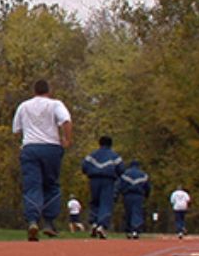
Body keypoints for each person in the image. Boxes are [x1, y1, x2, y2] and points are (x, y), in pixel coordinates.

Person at [11, 79, 73, 241]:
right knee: (51, 185)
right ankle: (49, 222)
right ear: (49, 90)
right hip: (51, 147)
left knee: (32, 185)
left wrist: (23, 143)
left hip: (30, 148)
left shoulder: (24, 106)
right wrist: (66, 139)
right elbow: (66, 121)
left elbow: (16, 130)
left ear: (34, 90)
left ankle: (32, 220)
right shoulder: (55, 105)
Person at [81, 135, 124, 239]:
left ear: (99, 143)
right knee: (106, 202)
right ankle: (102, 225)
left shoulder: (92, 156)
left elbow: (84, 166)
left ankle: (94, 223)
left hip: (93, 179)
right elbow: (121, 169)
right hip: (108, 180)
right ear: (110, 144)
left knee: (94, 201)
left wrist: (89, 173)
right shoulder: (114, 156)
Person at [117, 159, 151, 239]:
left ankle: (128, 230)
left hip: (127, 195)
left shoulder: (125, 175)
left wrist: (118, 195)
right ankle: (135, 230)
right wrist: (146, 195)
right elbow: (147, 187)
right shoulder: (143, 175)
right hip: (139, 195)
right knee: (137, 212)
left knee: (128, 212)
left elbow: (120, 185)